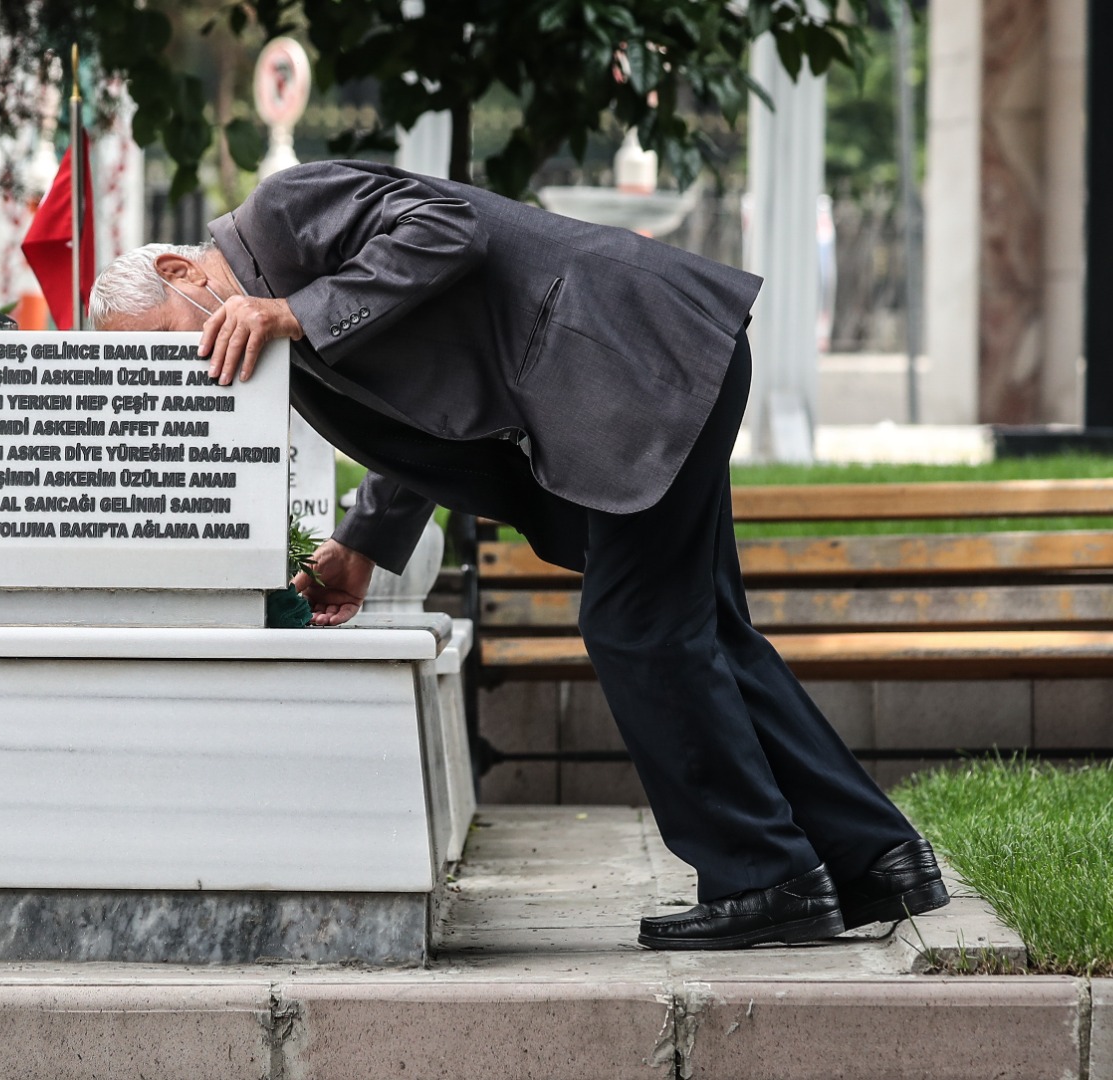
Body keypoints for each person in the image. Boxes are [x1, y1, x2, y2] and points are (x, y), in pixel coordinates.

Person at [87, 160, 948, 950]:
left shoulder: (278, 216)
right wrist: (359, 545)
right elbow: (424, 423)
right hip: (640, 371)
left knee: (638, 628)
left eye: (169, 340)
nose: (192, 365)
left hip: (636, 358)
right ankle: (876, 859)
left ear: (181, 272)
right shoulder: (283, 346)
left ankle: (764, 876)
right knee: (701, 631)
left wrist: (293, 312)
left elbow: (444, 226)